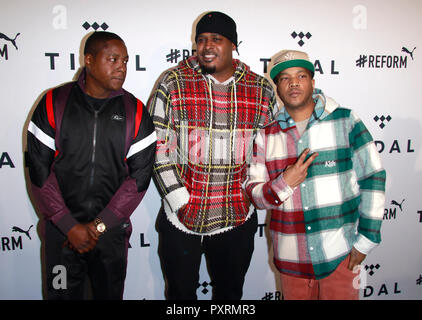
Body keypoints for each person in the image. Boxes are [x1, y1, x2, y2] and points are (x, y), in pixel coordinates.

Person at [147, 11, 277, 300]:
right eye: (201, 40)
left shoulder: (260, 89)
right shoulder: (173, 82)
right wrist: (179, 199)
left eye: (216, 39)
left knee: (229, 295)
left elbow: (267, 149)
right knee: (180, 296)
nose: (206, 46)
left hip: (237, 215)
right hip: (180, 218)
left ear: (233, 45)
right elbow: (157, 147)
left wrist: (251, 191)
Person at [245, 50, 386, 300]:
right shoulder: (266, 134)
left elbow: (373, 179)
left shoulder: (346, 121)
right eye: (285, 78)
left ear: (312, 81)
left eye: (301, 75)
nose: (294, 83)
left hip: (341, 256)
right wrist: (284, 183)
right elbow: (255, 195)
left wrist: (366, 240)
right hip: (291, 261)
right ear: (277, 87)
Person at [27, 31, 157, 299]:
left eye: (125, 61)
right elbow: (39, 170)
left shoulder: (136, 111)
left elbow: (140, 177)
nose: (121, 67)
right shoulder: (53, 103)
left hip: (109, 236)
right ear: (89, 60)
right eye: (113, 59)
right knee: (60, 295)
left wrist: (98, 226)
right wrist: (68, 225)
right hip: (61, 235)